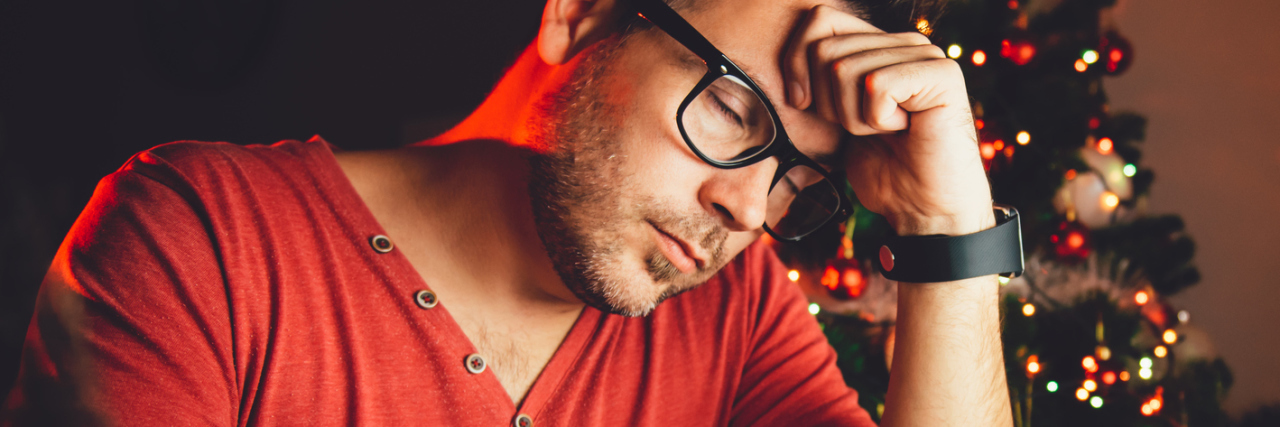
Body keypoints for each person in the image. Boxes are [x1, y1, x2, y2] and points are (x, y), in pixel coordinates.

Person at [3, 0, 1017, 425]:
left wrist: (946, 228)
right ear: (574, 15)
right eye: (728, 105)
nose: (747, 208)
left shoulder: (734, 310)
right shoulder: (207, 236)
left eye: (798, 176)